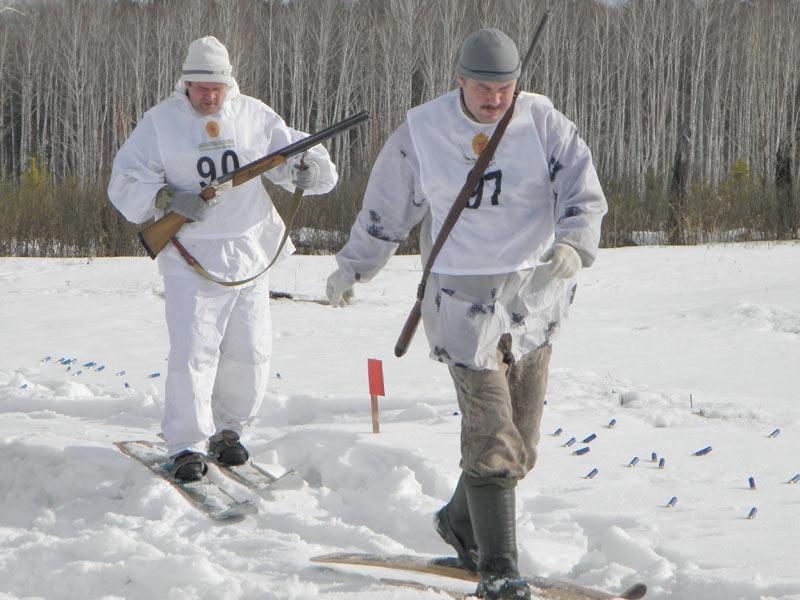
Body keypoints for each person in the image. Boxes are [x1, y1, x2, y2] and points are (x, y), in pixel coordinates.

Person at [325, 28, 606, 600]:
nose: (495, 98)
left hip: (534, 294)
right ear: (459, 79)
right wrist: (353, 266)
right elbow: (386, 207)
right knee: (491, 430)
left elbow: (582, 185)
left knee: (521, 442)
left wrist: (575, 241)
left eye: (505, 88)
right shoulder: (423, 131)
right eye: (484, 87)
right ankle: (500, 568)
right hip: (461, 297)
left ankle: (459, 521)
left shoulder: (544, 123)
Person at [108, 36, 337, 482]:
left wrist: (304, 169)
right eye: (201, 87)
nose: (209, 96)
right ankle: (187, 444)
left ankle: (229, 432)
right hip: (191, 255)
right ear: (186, 84)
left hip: (249, 251)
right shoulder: (160, 123)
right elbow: (124, 180)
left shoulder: (253, 114)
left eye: (217, 88)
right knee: (194, 352)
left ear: (228, 85)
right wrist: (165, 196)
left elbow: (291, 156)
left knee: (249, 350)